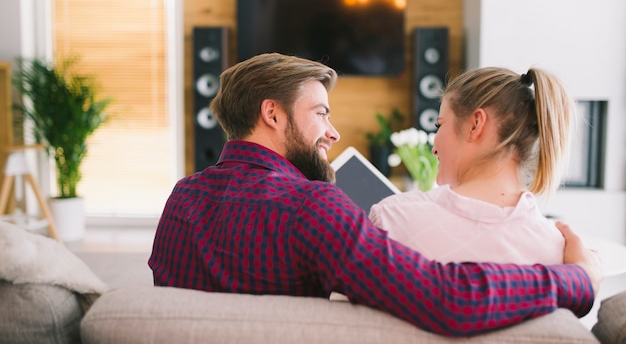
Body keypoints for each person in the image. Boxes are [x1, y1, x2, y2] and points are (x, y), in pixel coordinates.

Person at [149, 54, 600, 337]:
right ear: (272, 113)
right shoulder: (314, 208)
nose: (333, 131)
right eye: (321, 113)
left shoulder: (181, 199)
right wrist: (577, 280)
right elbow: (450, 299)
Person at [369, 67, 574, 265]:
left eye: (440, 125)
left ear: (475, 124)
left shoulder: (392, 219)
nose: (434, 148)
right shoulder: (558, 250)